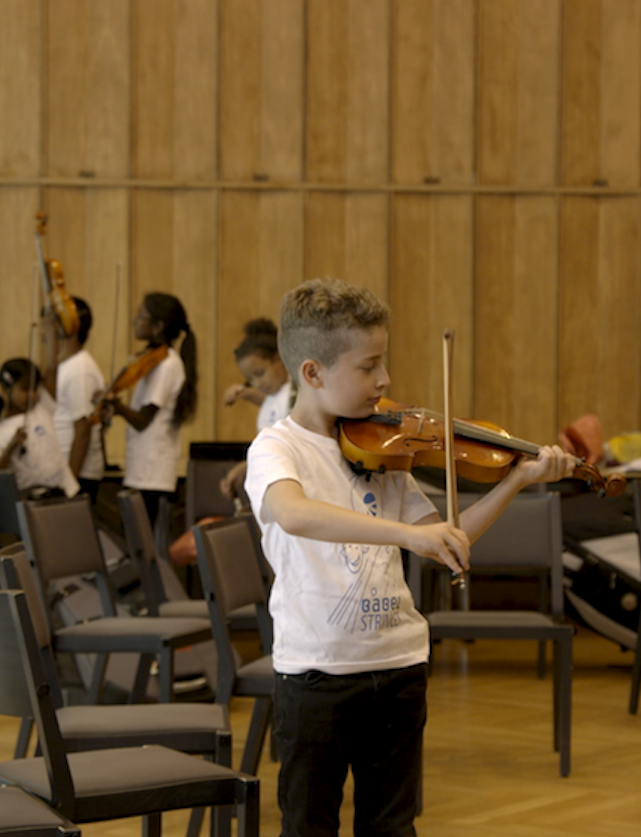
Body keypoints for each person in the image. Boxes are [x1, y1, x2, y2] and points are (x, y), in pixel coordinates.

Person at [243, 277, 571, 837]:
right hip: (318, 674)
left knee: (392, 826)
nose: (385, 380)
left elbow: (447, 537)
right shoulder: (278, 448)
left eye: (384, 363)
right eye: (368, 366)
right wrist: (403, 534)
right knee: (307, 825)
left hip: (398, 665)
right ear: (313, 373)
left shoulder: (385, 450)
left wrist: (515, 482)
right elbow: (294, 513)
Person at [99, 292, 199, 528]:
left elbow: (144, 420)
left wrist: (117, 406)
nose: (135, 320)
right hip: (142, 469)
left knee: (146, 542)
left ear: (158, 326)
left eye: (141, 315)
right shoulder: (152, 361)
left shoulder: (167, 365)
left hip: (153, 474)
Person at [0, 358, 79, 499]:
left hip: (66, 493)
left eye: (35, 388)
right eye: (25, 389)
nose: (33, 394)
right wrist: (11, 447)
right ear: (6, 390)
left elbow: (52, 367)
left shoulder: (41, 408)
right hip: (31, 500)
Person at [219, 317, 293, 503]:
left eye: (260, 374)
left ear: (279, 359)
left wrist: (246, 465)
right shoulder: (272, 398)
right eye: (251, 379)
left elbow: (285, 446)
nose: (257, 383)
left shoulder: (296, 393)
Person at [51, 297, 106, 502]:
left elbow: (82, 429)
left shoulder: (79, 370)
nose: (42, 331)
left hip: (77, 475)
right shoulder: (67, 366)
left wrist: (70, 484)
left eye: (49, 323)